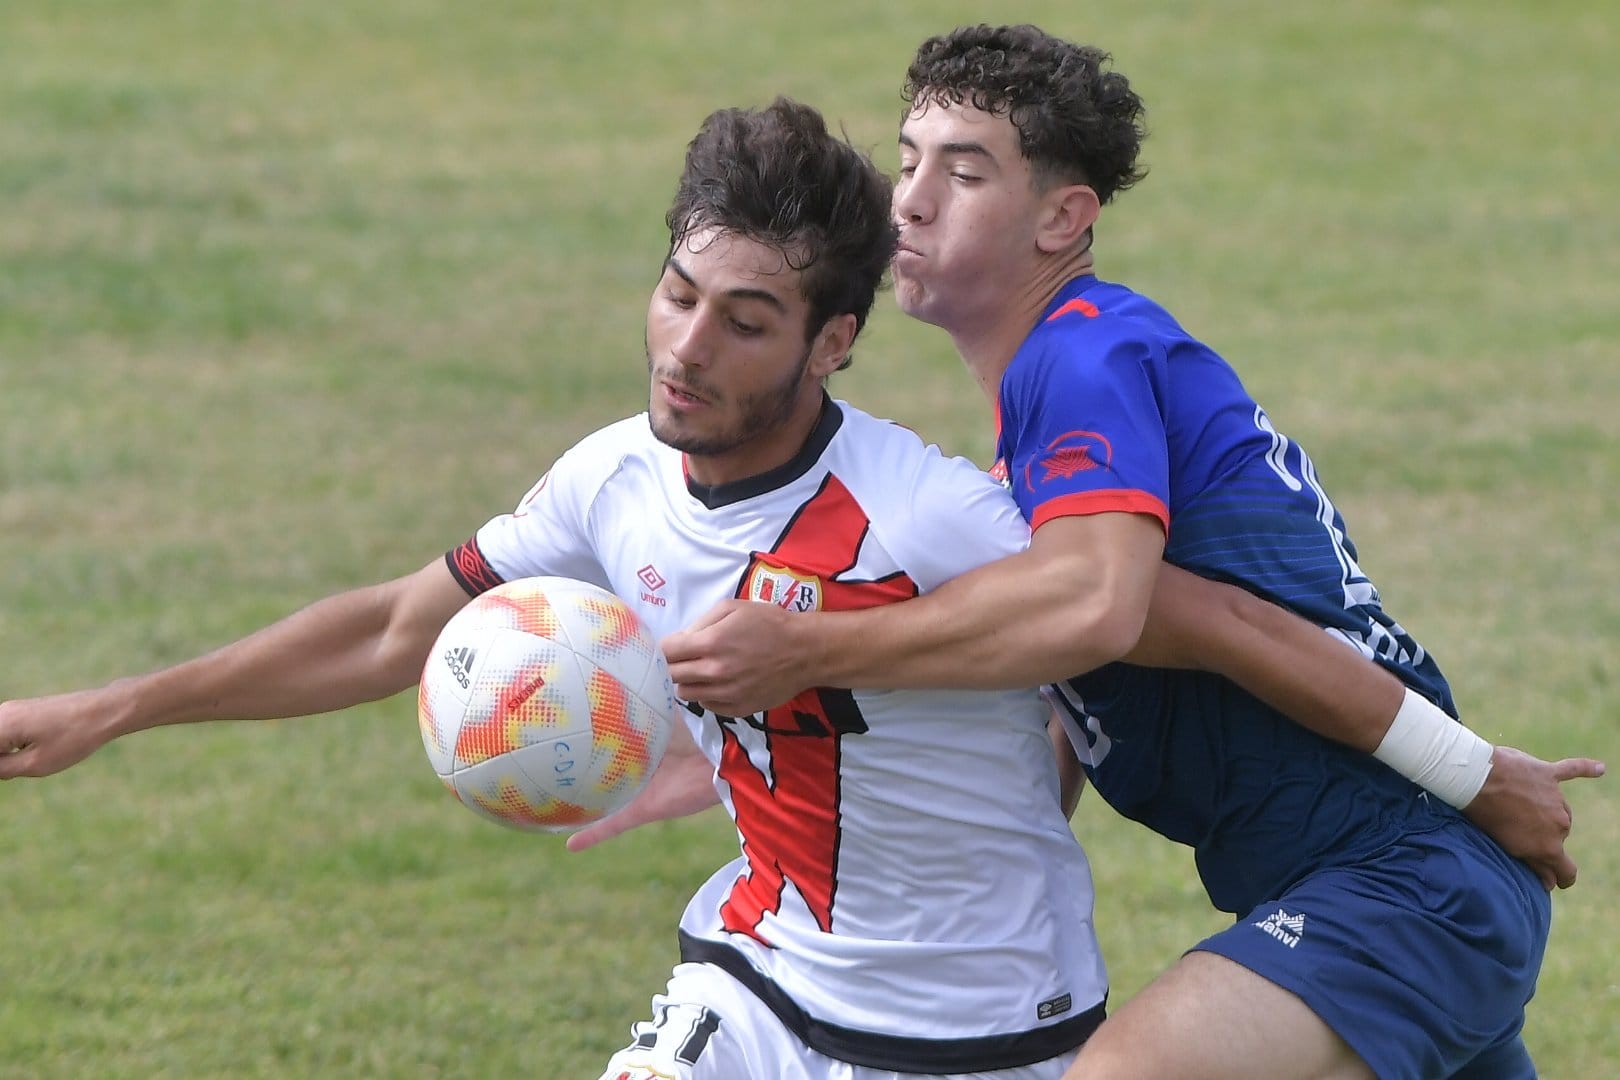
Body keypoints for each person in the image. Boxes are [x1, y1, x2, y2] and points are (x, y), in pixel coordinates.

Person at [0, 95, 1387, 1079]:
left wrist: (1457, 767)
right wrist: (112, 711)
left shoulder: (934, 515)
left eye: (746, 321)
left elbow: (1187, 631)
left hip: (985, 1027)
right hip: (758, 981)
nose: (687, 348)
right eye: (677, 294)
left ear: (834, 340)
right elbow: (388, 626)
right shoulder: (613, 478)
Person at [655, 27, 1606, 1080]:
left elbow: (1179, 617)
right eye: (909, 157)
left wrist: (1473, 776)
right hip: (1388, 890)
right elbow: (1050, 686)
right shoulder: (1038, 455)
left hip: (1401, 882)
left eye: (964, 171)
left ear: (1065, 218)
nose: (909, 200)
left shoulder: (1084, 354)